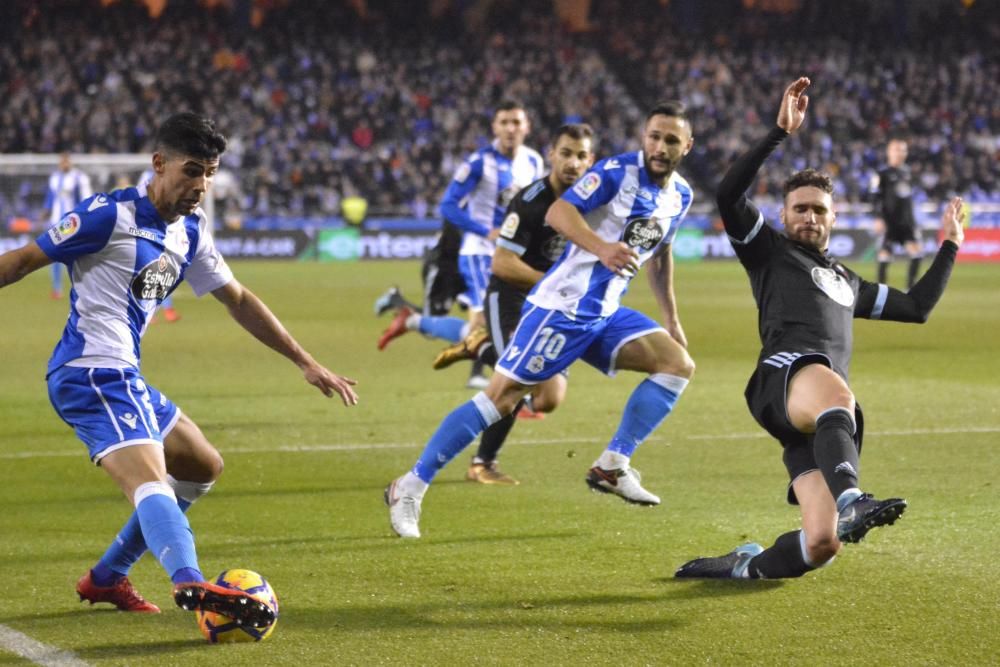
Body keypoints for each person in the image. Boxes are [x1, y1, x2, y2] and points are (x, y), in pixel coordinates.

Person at [0, 113, 358, 622]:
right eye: (192, 171)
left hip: (126, 374)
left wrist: (305, 360)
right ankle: (191, 583)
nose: (202, 185)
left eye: (210, 173)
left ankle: (105, 578)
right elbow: (20, 262)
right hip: (91, 372)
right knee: (150, 480)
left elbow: (237, 298)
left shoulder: (191, 230)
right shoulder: (108, 215)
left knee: (201, 466)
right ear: (159, 163)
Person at [675, 78, 964, 580]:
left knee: (822, 543)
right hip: (783, 379)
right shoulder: (768, 250)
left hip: (812, 417)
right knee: (837, 393)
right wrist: (778, 133)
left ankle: (743, 567)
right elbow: (727, 193)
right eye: (800, 209)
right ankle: (853, 499)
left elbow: (917, 307)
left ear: (832, 219)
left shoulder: (846, 281)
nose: (810, 217)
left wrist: (950, 246)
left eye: (819, 210)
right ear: (783, 215)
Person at [385, 102, 696, 538]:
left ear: (687, 145)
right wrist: (601, 248)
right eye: (654, 137)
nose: (659, 147)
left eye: (670, 140)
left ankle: (613, 464)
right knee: (500, 400)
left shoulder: (681, 195)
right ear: (643, 136)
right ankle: (410, 486)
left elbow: (660, 256)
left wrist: (672, 319)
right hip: (562, 308)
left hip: (604, 311)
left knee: (676, 364)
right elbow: (559, 212)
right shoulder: (615, 173)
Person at [432, 123, 595, 484]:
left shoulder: (593, 200)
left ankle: (480, 346)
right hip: (511, 295)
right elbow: (502, 263)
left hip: (551, 304)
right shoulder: (531, 200)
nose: (572, 162)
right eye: (566, 153)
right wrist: (551, 284)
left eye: (581, 155)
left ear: (591, 160)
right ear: (551, 155)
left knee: (549, 399)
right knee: (517, 382)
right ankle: (482, 463)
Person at [377, 101, 545, 389]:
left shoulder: (533, 162)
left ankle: (413, 321)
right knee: (491, 326)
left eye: (516, 122)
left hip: (516, 254)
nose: (510, 128)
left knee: (484, 328)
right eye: (504, 122)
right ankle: (511, 390)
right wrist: (484, 230)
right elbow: (448, 205)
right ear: (495, 127)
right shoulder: (479, 163)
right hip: (480, 254)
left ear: (526, 127)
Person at [39, 152, 92, 299]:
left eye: (66, 161)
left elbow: (85, 199)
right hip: (56, 221)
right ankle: (57, 288)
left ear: (70, 162)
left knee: (77, 256)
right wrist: (45, 211)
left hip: (73, 223)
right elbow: (50, 198)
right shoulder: (54, 178)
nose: (64, 164)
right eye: (62, 161)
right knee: (53, 255)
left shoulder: (79, 177)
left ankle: (81, 287)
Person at [873, 137, 923, 288]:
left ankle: (909, 289)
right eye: (896, 149)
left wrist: (914, 221)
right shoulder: (881, 174)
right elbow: (874, 198)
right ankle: (880, 293)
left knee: (917, 255)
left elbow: (908, 200)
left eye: (903, 150)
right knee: (885, 257)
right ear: (889, 152)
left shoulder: (908, 173)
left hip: (907, 223)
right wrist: (879, 218)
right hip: (889, 222)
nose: (900, 153)